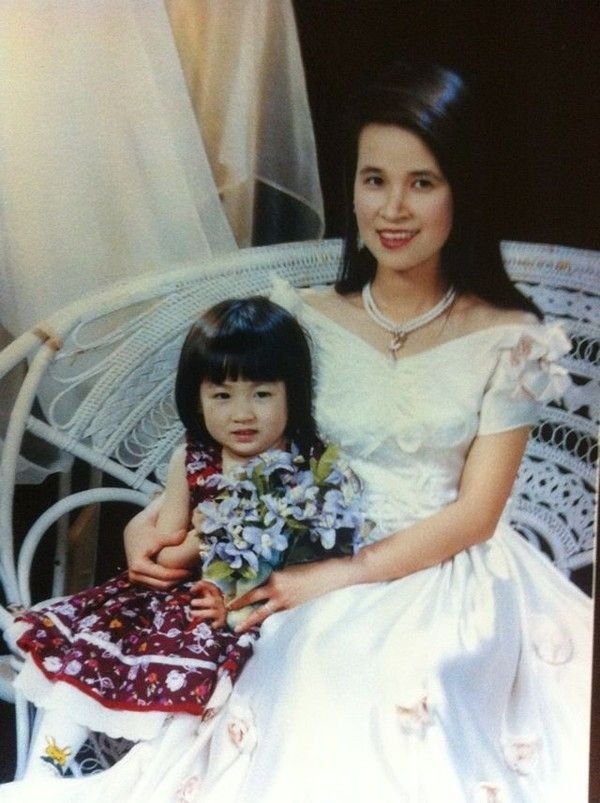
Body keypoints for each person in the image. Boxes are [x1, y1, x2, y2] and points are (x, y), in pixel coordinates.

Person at [1, 60, 592, 802]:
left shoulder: (510, 338)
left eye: (422, 182)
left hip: (442, 571)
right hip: (302, 555)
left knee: (394, 679)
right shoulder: (305, 317)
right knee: (302, 655)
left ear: (461, 190)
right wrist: (155, 520)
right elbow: (238, 438)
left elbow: (475, 514)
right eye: (374, 180)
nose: (393, 209)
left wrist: (335, 576)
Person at [6, 295, 339, 780]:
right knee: (90, 663)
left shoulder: (299, 469)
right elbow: (166, 542)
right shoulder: (193, 458)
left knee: (185, 692)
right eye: (222, 396)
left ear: (293, 392)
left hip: (240, 606)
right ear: (196, 398)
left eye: (262, 394)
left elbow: (296, 555)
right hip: (168, 601)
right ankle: (45, 776)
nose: (242, 414)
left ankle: (143, 780)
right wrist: (198, 534)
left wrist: (216, 536)